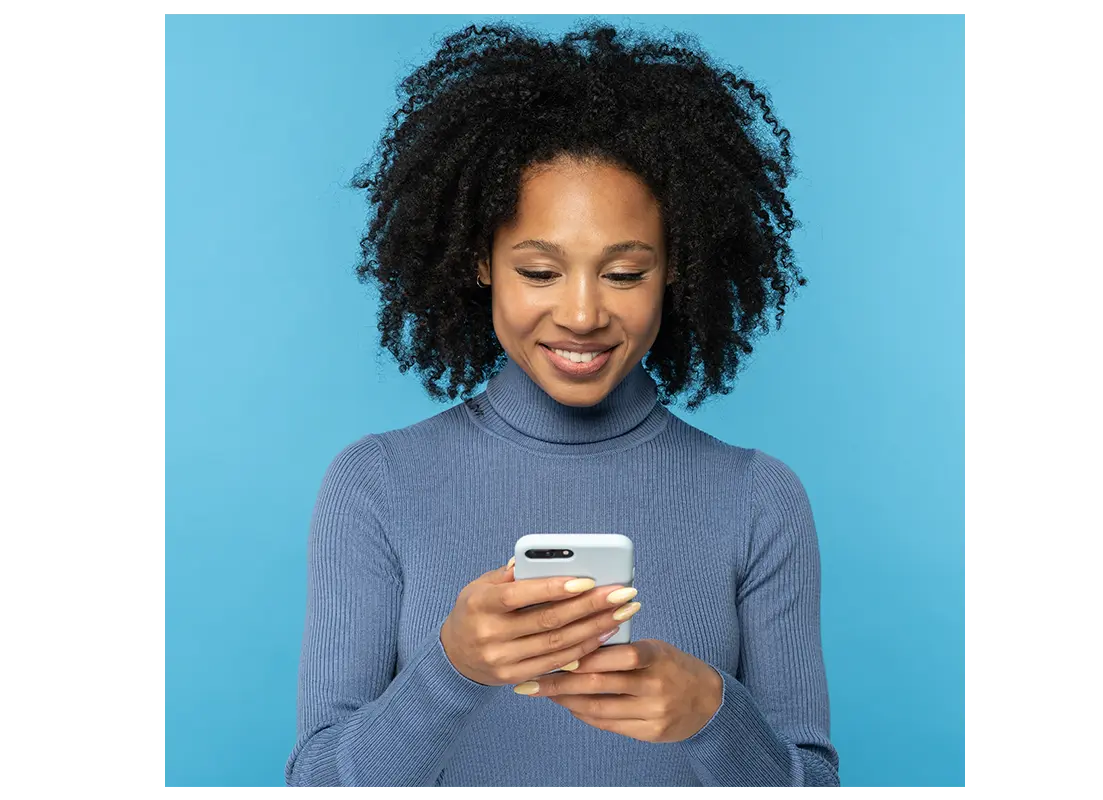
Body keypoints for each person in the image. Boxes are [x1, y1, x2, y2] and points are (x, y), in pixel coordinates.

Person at [284, 20, 838, 790]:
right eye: (540, 271)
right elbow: (317, 784)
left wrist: (716, 713)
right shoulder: (375, 484)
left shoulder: (759, 498)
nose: (581, 315)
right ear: (480, 260)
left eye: (624, 273)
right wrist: (453, 667)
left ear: (676, 267)